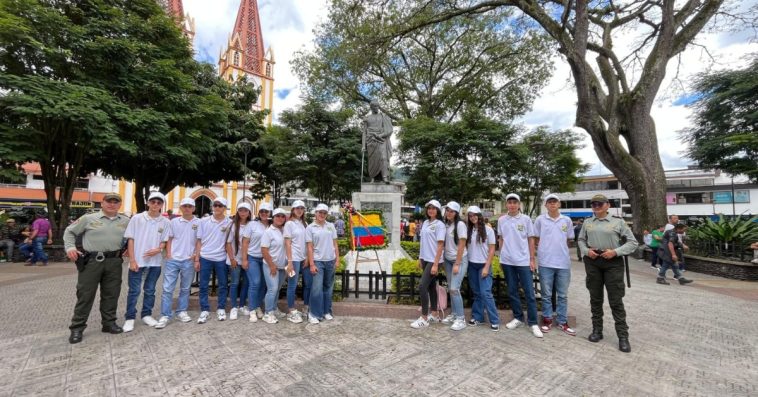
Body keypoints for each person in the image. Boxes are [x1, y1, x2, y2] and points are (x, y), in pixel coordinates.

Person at [64, 193, 129, 344]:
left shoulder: (125, 221)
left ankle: (109, 323)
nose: (112, 204)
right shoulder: (89, 218)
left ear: (119, 204)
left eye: (115, 202)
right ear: (102, 203)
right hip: (92, 262)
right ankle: (77, 327)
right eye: (109, 201)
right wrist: (70, 248)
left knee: (111, 294)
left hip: (114, 262)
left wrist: (127, 248)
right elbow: (69, 231)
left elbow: (133, 237)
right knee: (85, 295)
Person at [577, 193, 638, 353]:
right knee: (595, 298)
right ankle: (597, 330)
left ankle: (623, 336)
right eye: (594, 205)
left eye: (599, 204)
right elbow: (581, 240)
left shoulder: (618, 222)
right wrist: (585, 251)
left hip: (613, 263)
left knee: (616, 300)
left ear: (607, 205)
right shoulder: (587, 222)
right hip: (593, 261)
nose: (596, 207)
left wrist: (616, 252)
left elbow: (633, 243)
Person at [123, 192, 170, 332]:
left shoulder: (165, 222)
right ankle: (130, 317)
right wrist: (132, 260)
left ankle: (146, 315)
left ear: (162, 205)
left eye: (159, 202)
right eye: (153, 201)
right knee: (134, 291)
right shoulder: (137, 218)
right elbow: (130, 239)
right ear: (148, 203)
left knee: (150, 290)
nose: (156, 204)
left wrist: (159, 249)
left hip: (155, 263)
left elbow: (164, 240)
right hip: (138, 261)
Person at [498, 193, 542, 338]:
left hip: (523, 261)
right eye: (509, 202)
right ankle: (518, 317)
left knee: (529, 292)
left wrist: (531, 258)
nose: (512, 205)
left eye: (514, 202)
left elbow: (531, 239)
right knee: (512, 291)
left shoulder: (526, 219)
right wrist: (500, 257)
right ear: (506, 205)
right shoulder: (502, 220)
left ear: (519, 204)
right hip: (507, 261)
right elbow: (501, 239)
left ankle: (533, 322)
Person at [534, 194, 576, 336]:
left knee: (563, 295)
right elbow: (535, 238)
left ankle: (562, 322)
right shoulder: (540, 220)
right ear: (545, 205)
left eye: (555, 202)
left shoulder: (567, 220)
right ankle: (547, 320)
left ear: (559, 204)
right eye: (549, 202)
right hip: (545, 262)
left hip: (563, 263)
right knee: (546, 294)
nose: (552, 204)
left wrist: (560, 250)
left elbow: (569, 239)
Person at [155, 197, 200, 329]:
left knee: (185, 288)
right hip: (173, 259)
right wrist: (169, 254)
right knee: (168, 288)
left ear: (193, 208)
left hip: (189, 260)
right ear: (181, 208)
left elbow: (199, 241)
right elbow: (169, 239)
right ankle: (165, 314)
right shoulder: (174, 222)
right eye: (185, 206)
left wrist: (196, 256)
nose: (187, 208)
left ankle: (181, 311)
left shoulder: (199, 222)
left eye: (190, 206)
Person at [195, 197, 232, 324]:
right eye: (215, 205)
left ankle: (221, 308)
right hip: (205, 257)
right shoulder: (203, 221)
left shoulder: (229, 222)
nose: (217, 207)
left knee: (223, 284)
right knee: (203, 285)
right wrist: (197, 258)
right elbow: (199, 241)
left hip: (221, 257)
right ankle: (204, 309)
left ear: (224, 208)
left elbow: (230, 242)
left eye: (220, 205)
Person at [410, 200, 445, 329]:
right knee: (430, 287)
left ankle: (424, 318)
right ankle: (434, 314)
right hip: (425, 258)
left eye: (434, 208)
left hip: (434, 260)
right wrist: (420, 258)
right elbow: (423, 242)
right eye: (429, 208)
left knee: (422, 286)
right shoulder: (425, 223)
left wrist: (436, 264)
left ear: (438, 211)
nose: (431, 210)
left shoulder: (440, 224)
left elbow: (441, 244)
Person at [465, 205, 500, 331]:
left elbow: (492, 249)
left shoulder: (488, 230)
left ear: (480, 216)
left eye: (475, 215)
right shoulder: (468, 230)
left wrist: (486, 266)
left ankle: (495, 320)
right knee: (477, 293)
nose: (473, 217)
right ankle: (477, 317)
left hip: (483, 265)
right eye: (470, 215)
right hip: (472, 265)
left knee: (486, 293)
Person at [305, 203, 340, 324]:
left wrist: (338, 259)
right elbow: (309, 247)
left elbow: (335, 244)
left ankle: (326, 311)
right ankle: (313, 313)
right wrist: (312, 264)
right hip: (318, 261)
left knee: (328, 288)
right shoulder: (310, 227)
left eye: (324, 213)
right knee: (316, 288)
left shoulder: (330, 226)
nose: (322, 215)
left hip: (330, 261)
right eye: (320, 212)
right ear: (316, 213)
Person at [241, 202, 273, 323]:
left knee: (264, 284)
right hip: (253, 257)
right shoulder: (252, 224)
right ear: (259, 213)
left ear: (270, 213)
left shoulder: (273, 225)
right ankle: (252, 309)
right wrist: (244, 259)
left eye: (267, 211)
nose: (264, 213)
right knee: (255, 282)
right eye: (262, 211)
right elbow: (245, 242)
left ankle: (258, 305)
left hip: (266, 259)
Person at [441, 201, 468, 331]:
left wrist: (457, 263)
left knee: (454, 289)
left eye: (452, 211)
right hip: (447, 260)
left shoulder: (460, 225)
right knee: (451, 288)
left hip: (459, 260)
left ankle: (461, 319)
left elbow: (462, 245)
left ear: (456, 213)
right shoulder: (446, 224)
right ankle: (454, 314)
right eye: (447, 210)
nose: (449, 213)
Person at [225, 203, 253, 321]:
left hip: (247, 259)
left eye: (245, 210)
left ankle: (242, 305)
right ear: (237, 212)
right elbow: (228, 243)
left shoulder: (252, 225)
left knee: (246, 283)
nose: (243, 213)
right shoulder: (232, 225)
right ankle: (234, 307)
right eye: (241, 210)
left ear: (249, 212)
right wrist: (232, 259)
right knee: (235, 283)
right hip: (235, 259)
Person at [261, 208, 288, 323]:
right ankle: (268, 313)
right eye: (278, 216)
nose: (280, 218)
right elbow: (264, 250)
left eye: (282, 216)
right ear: (273, 218)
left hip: (282, 266)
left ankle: (274, 308)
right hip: (270, 265)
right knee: (272, 289)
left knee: (277, 289)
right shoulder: (269, 231)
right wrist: (272, 265)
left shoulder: (285, 230)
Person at [284, 200, 308, 323]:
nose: (299, 210)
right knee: (292, 285)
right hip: (294, 259)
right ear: (293, 209)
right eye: (297, 208)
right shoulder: (289, 224)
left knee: (306, 284)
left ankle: (303, 308)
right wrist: (290, 261)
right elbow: (287, 243)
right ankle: (291, 310)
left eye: (301, 208)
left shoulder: (304, 223)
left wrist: (307, 257)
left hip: (303, 258)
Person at [362, 100, 393, 183]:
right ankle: (372, 177)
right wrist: (363, 146)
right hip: (370, 140)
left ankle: (384, 176)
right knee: (372, 160)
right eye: (375, 106)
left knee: (383, 157)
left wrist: (380, 135)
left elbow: (388, 129)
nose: (377, 108)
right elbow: (364, 132)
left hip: (381, 139)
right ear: (371, 107)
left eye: (378, 106)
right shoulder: (367, 118)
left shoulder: (383, 117)